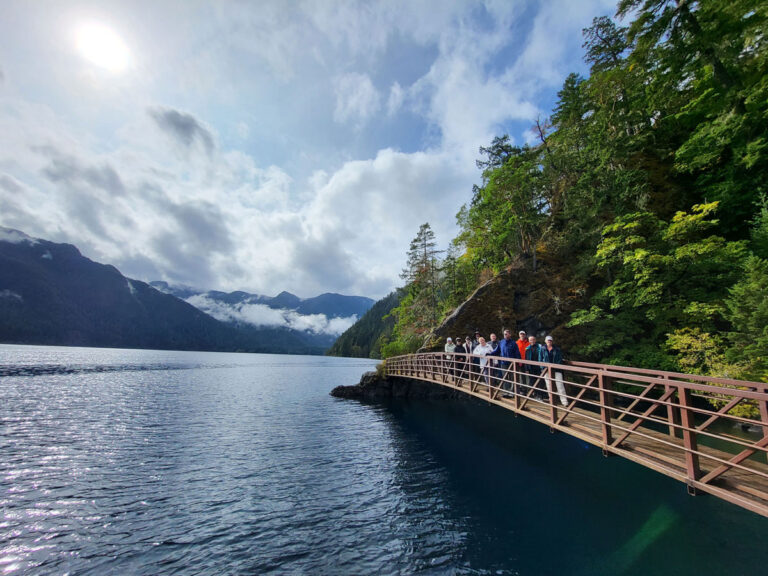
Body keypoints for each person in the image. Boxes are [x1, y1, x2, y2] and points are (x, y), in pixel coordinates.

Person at [488, 328, 521, 394]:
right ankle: (506, 391)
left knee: (512, 377)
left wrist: (518, 362)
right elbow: (497, 351)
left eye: (506, 334)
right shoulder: (501, 342)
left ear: (509, 334)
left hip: (512, 363)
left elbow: (517, 353)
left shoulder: (513, 343)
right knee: (505, 377)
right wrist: (490, 354)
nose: (505, 335)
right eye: (504, 334)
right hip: (503, 363)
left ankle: (512, 392)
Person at [542, 335, 568, 407]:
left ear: (552, 341)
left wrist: (555, 366)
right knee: (549, 385)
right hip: (546, 369)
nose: (549, 342)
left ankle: (564, 401)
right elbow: (540, 359)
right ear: (545, 341)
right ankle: (552, 400)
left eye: (550, 340)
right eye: (548, 340)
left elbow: (560, 359)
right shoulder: (542, 349)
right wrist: (542, 367)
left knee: (560, 384)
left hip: (556, 369)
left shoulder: (557, 349)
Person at [525, 335, 545, 399]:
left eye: (533, 340)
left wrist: (542, 366)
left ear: (535, 340)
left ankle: (540, 395)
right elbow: (526, 359)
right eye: (530, 340)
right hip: (531, 368)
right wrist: (527, 369)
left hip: (539, 367)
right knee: (532, 381)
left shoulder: (540, 347)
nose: (532, 341)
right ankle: (534, 393)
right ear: (529, 341)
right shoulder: (527, 348)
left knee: (540, 381)